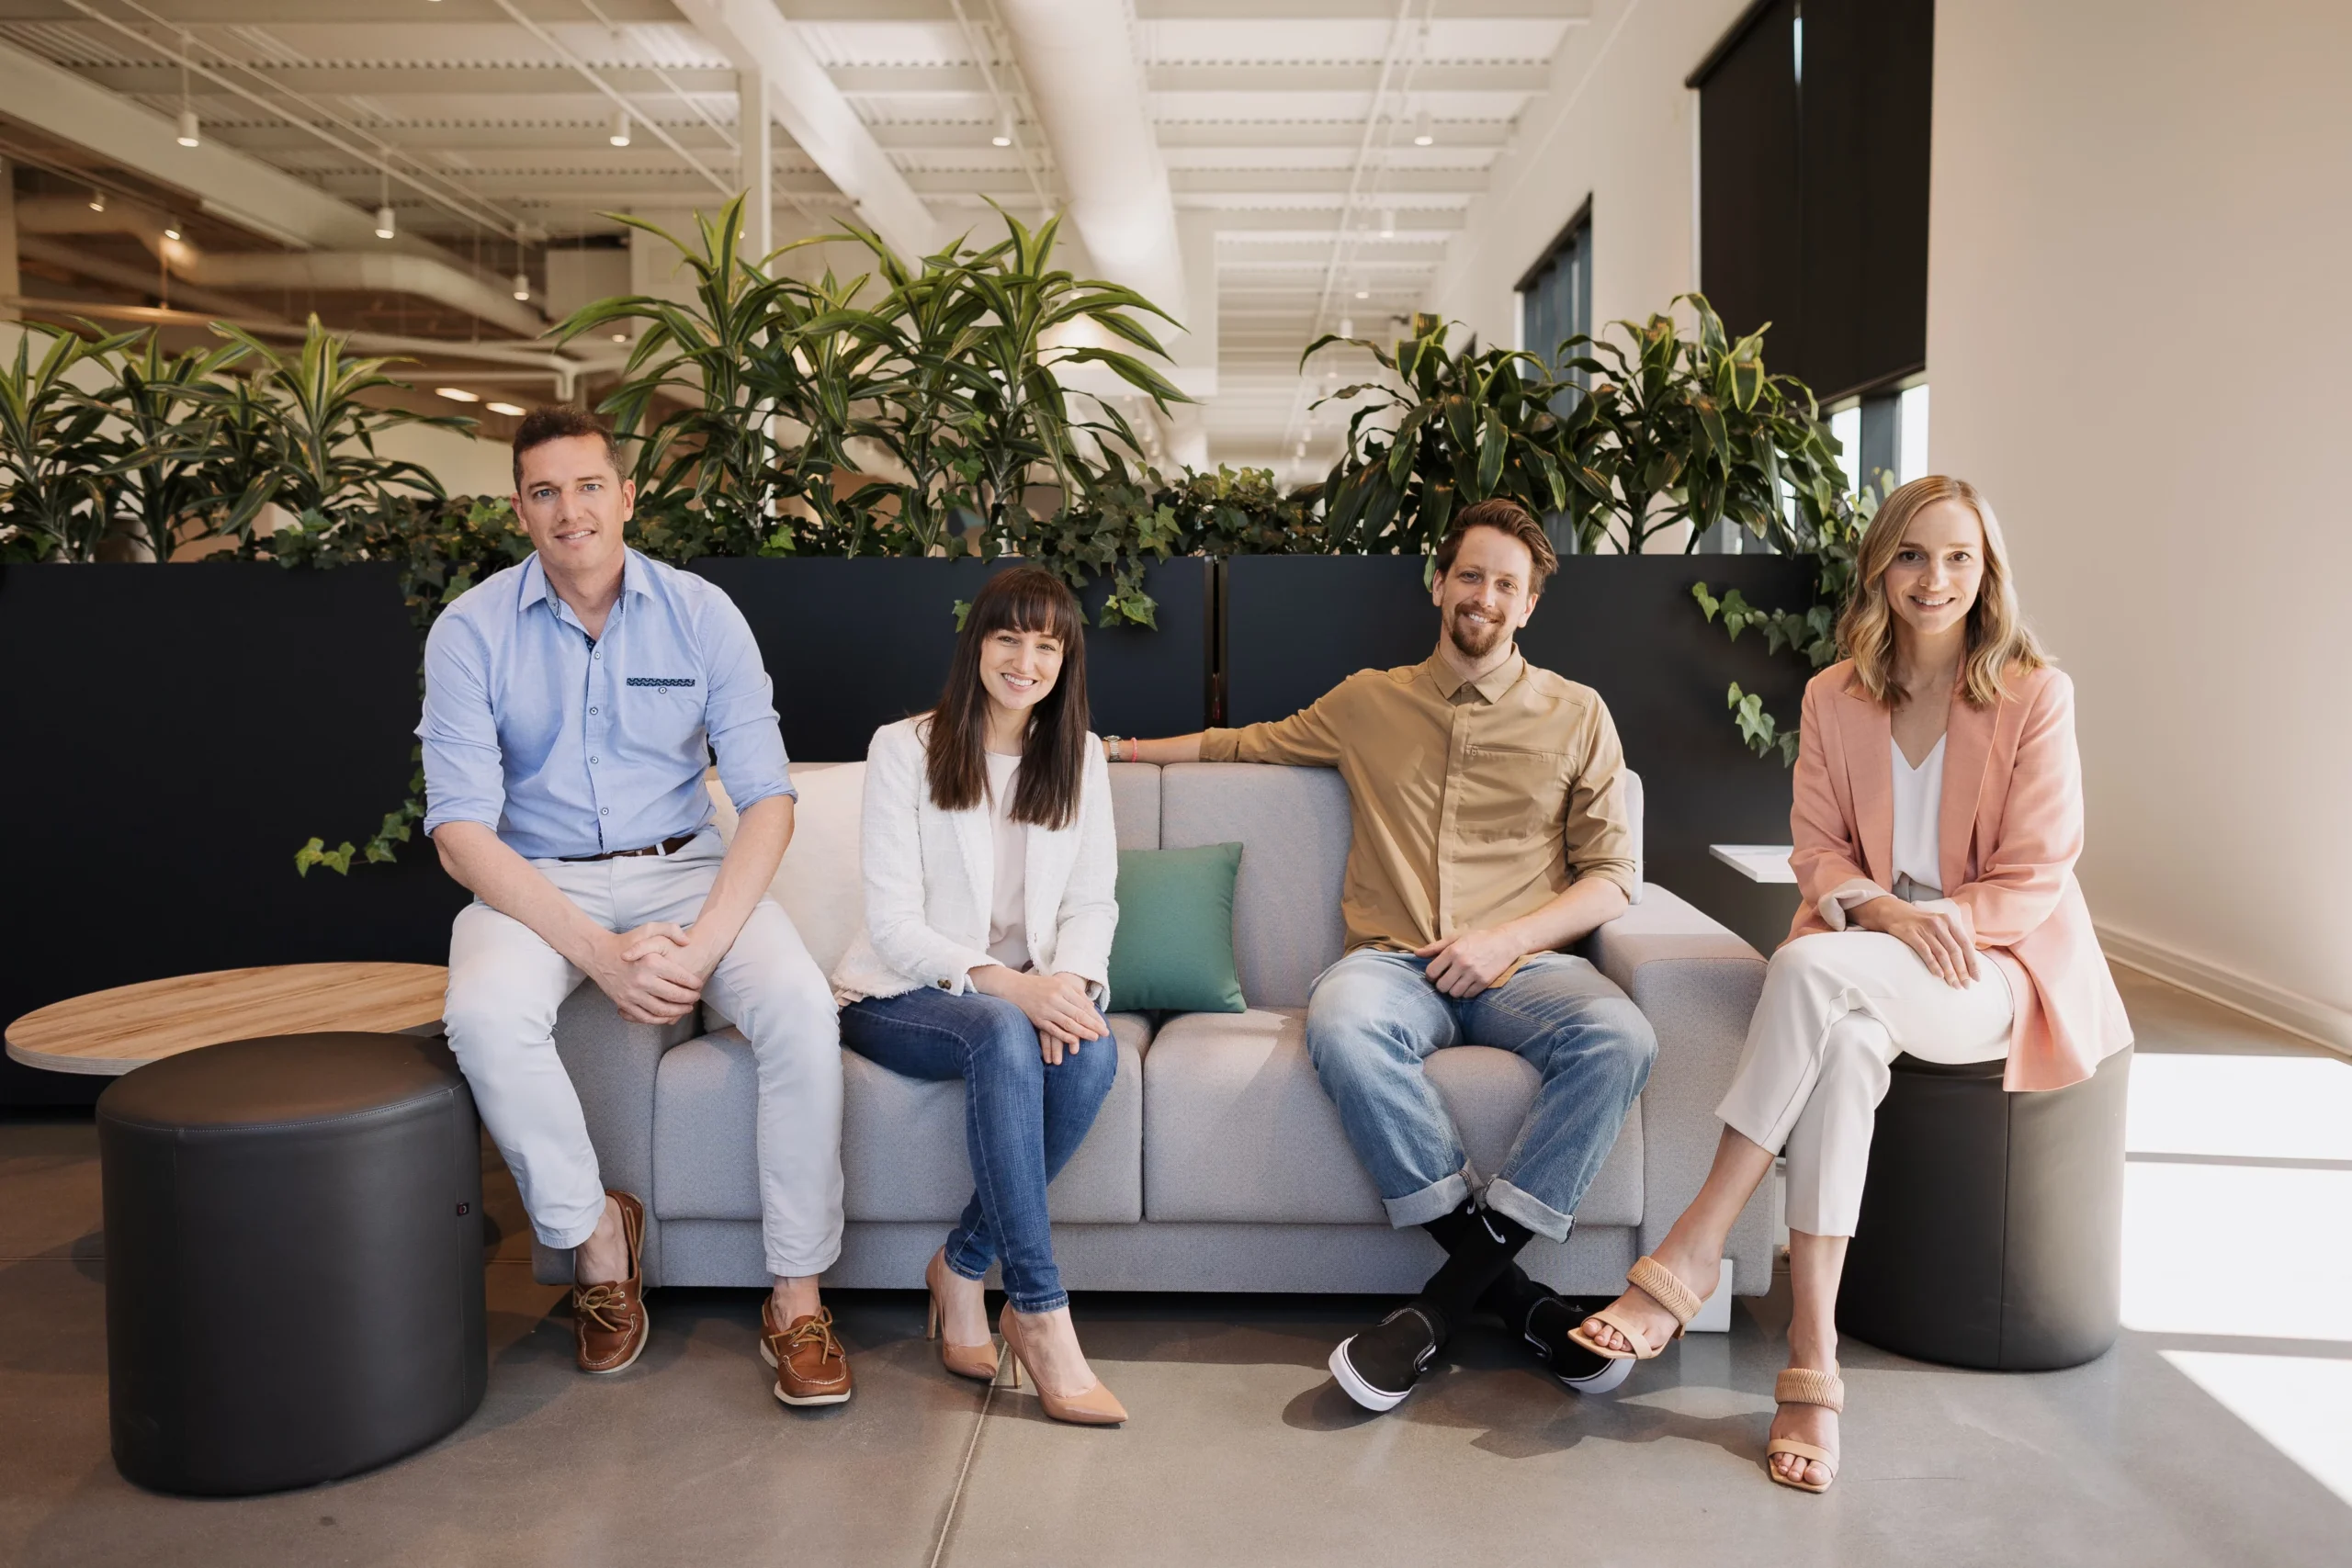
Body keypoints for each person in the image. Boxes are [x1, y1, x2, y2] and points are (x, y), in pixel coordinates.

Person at [1571, 475, 2132, 1493]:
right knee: (1835, 1043)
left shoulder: (2034, 694)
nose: (1935, 579)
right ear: (1880, 565)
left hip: (1990, 967)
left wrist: (1931, 924)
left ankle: (1693, 1246)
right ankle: (1812, 1361)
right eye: (1913, 555)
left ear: (1987, 572)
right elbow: (1818, 854)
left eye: (1960, 557)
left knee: (1805, 969)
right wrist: (1883, 913)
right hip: (1868, 957)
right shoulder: (1835, 696)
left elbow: (2037, 873)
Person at [1119, 498, 1656, 1414]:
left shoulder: (1578, 715)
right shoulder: (1367, 700)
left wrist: (1507, 941)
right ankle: (1511, 1296)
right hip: (1393, 965)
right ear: (1439, 584)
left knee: (1622, 1037)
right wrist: (1118, 750)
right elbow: (1242, 743)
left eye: (1507, 584)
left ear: (1528, 606)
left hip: (1524, 967)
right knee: (1342, 1018)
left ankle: (1446, 1303)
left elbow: (1612, 877)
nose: (1485, 595)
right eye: (1472, 575)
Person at [421, 407, 851, 1406]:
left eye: (587, 486)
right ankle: (600, 1244)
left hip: (685, 867)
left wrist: (698, 949)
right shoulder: (470, 631)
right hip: (538, 878)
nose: (568, 510)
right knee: (483, 1017)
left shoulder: (701, 614)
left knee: (796, 1007)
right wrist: (600, 953)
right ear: (519, 509)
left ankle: (795, 1297)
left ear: (625, 494)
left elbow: (767, 799)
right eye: (543, 491)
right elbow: (460, 831)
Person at [832, 567, 1126, 1426]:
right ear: (978, 644)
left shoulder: (1080, 755)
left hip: (1025, 990)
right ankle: (1038, 1311)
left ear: (1065, 660)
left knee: (1094, 1048)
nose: (1026, 659)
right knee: (1002, 1031)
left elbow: (1093, 901)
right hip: (900, 991)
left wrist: (1065, 987)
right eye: (1009, 637)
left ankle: (961, 1267)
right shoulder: (905, 747)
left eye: (1047, 644)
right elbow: (891, 923)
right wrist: (1012, 988)